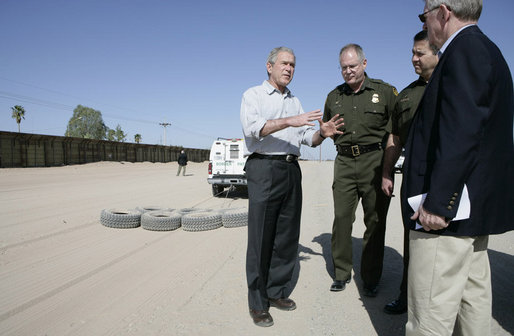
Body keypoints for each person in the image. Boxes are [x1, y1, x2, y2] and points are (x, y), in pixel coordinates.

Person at [402, 1, 514, 335]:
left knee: (429, 315)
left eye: (425, 16)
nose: (426, 23)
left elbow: (461, 133)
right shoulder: (487, 50)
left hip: (447, 219)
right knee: (472, 303)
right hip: (470, 214)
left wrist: (439, 204)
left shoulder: (463, 51)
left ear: (443, 12)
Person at [240, 46, 344, 327]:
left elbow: (306, 139)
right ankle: (258, 302)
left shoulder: (294, 100)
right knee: (261, 238)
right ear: (269, 66)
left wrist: (322, 134)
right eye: (284, 63)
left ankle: (276, 291)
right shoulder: (254, 95)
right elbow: (254, 129)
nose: (289, 69)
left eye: (293, 65)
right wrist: (289, 120)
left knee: (286, 236)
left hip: (290, 169)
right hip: (263, 167)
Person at [323, 43, 397, 296]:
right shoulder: (333, 97)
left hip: (374, 162)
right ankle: (342, 272)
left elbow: (394, 132)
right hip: (344, 163)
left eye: (352, 66)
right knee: (342, 219)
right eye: (344, 67)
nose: (348, 72)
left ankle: (371, 278)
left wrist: (388, 169)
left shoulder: (385, 92)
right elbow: (327, 129)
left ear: (364, 64)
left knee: (375, 221)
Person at [381, 30, 438, 315]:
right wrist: (387, 172)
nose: (413, 58)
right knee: (412, 240)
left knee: (444, 245)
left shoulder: (452, 86)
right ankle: (407, 297)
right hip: (412, 179)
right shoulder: (405, 95)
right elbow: (394, 138)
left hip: (443, 176)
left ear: (438, 52)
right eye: (412, 53)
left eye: (420, 53)